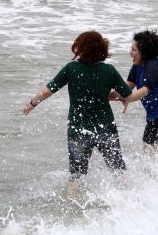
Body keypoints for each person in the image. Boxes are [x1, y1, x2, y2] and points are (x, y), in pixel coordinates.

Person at [23, 31, 133, 189]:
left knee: (76, 176)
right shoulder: (109, 70)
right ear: (102, 49)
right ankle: (132, 202)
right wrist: (114, 95)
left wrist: (32, 103)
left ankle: (72, 212)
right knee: (119, 169)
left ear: (80, 48)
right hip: (106, 128)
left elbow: (49, 90)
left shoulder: (71, 68)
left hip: (78, 130)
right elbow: (127, 94)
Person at [110, 30, 158, 153]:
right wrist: (115, 94)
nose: (130, 53)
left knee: (148, 150)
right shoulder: (137, 65)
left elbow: (145, 90)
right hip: (155, 117)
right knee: (154, 151)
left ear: (144, 53)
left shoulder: (153, 65)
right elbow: (129, 84)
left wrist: (128, 98)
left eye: (134, 50)